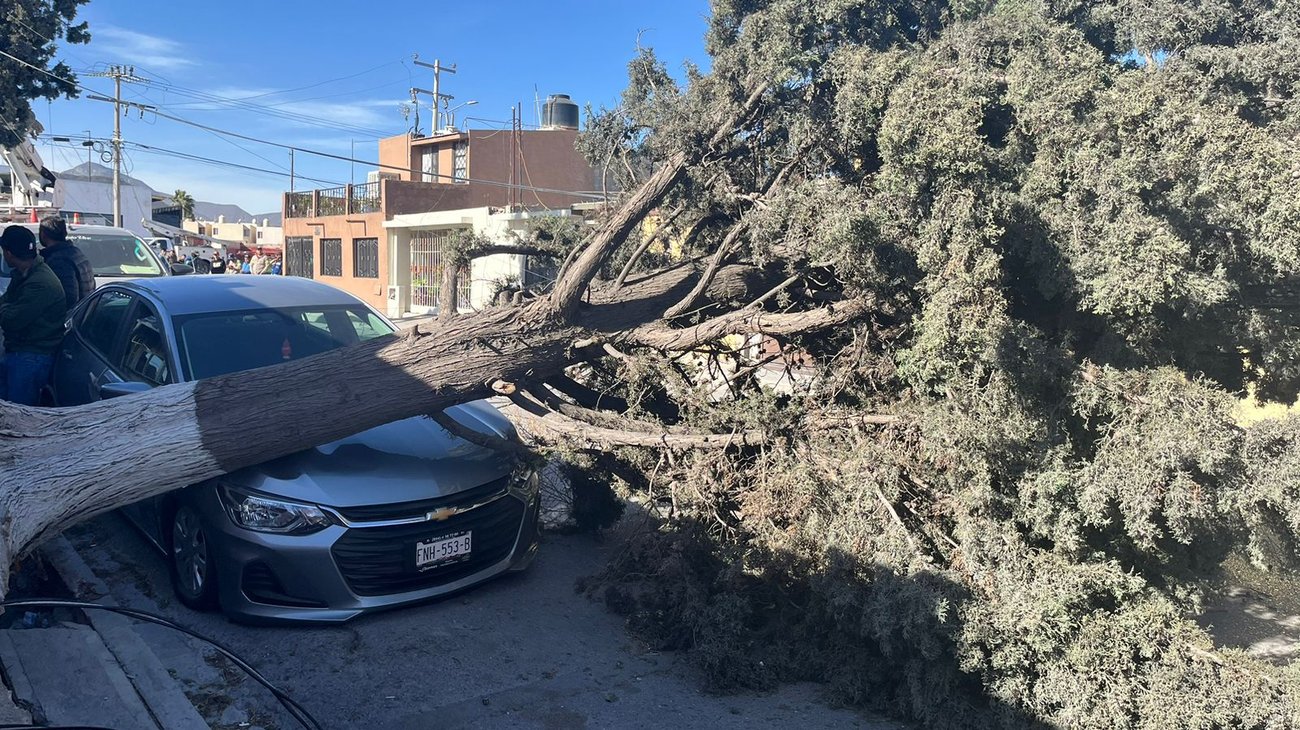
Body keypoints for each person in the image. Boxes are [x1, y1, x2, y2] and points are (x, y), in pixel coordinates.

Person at [0, 225, 67, 405]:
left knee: (19, 415)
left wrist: (6, 308)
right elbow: (6, 302)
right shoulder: (26, 274)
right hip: (20, 352)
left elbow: (11, 321)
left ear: (8, 253)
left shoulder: (40, 283)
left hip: (31, 357)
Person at [38, 216, 95, 310]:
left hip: (71, 318)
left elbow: (68, 297)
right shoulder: (76, 252)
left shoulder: (59, 260)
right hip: (84, 312)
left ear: (43, 234)